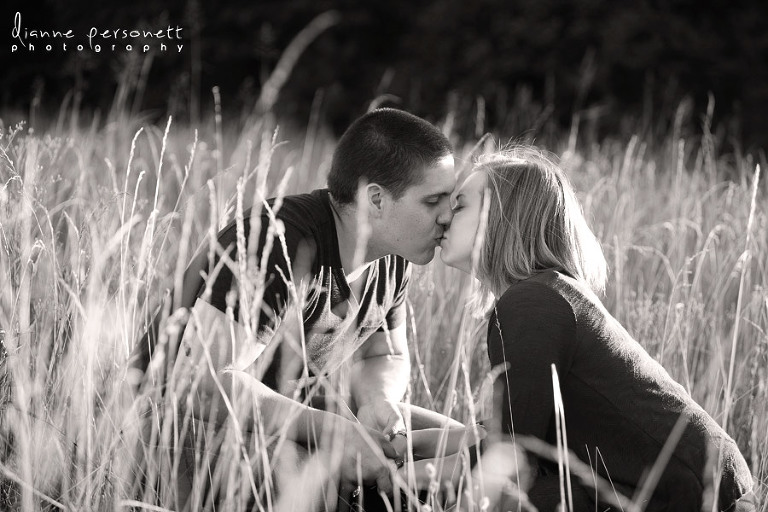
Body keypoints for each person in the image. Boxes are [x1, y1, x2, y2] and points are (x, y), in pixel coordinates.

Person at [129, 108, 474, 510]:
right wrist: (336, 433)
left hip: (289, 412)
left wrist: (377, 402)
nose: (447, 216)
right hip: (176, 426)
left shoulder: (394, 254)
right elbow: (206, 384)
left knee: (461, 444)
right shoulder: (279, 241)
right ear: (376, 199)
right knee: (324, 480)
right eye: (433, 201)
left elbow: (386, 354)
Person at [405, 146, 755, 511]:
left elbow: (511, 455)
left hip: (696, 496)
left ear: (504, 217)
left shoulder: (532, 302)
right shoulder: (546, 292)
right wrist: (416, 445)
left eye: (460, 205)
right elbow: (513, 434)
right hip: (696, 486)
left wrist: (412, 475)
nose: (444, 217)